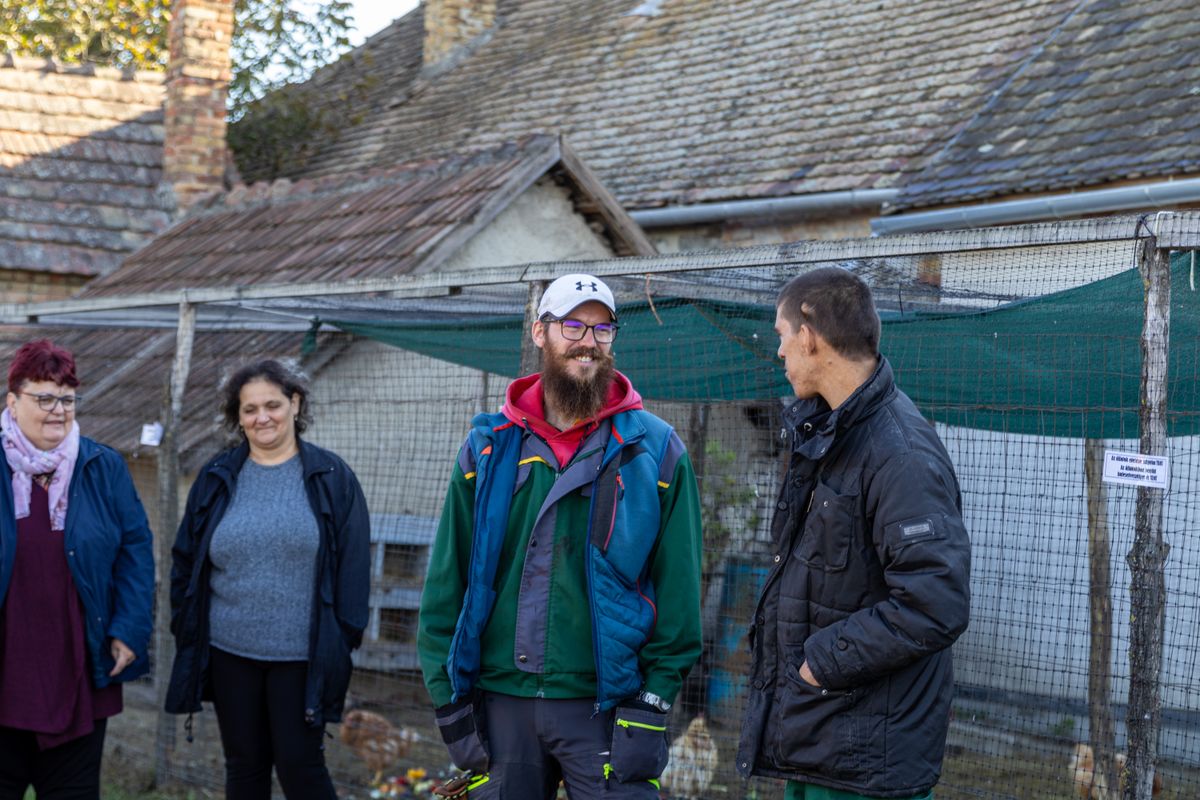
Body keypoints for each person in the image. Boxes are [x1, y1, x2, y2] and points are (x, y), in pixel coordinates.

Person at [418, 273, 703, 799]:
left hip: (606, 705)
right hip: (501, 705)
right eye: (573, 325)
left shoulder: (655, 452)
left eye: (602, 328)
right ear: (539, 333)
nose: (588, 341)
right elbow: (445, 586)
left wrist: (653, 703)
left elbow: (681, 594)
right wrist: (449, 700)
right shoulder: (488, 448)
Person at [737, 268, 972, 800]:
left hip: (865, 761)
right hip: (819, 739)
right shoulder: (831, 432)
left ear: (809, 335)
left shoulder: (900, 453)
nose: (779, 353)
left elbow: (935, 603)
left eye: (781, 335)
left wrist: (819, 663)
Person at [164, 360, 370, 800]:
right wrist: (186, 625)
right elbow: (186, 560)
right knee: (243, 767)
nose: (263, 418)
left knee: (301, 768)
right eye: (250, 409)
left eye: (272, 405)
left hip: (302, 659)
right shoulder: (217, 478)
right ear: (237, 417)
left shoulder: (332, 478)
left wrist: (343, 639)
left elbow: (354, 568)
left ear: (295, 404)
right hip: (229, 653)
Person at [0, 339, 155, 799]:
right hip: (8, 665)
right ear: (12, 401)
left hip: (77, 665)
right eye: (43, 398)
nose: (57, 410)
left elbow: (135, 549)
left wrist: (129, 627)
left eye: (66, 399)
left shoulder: (101, 466)